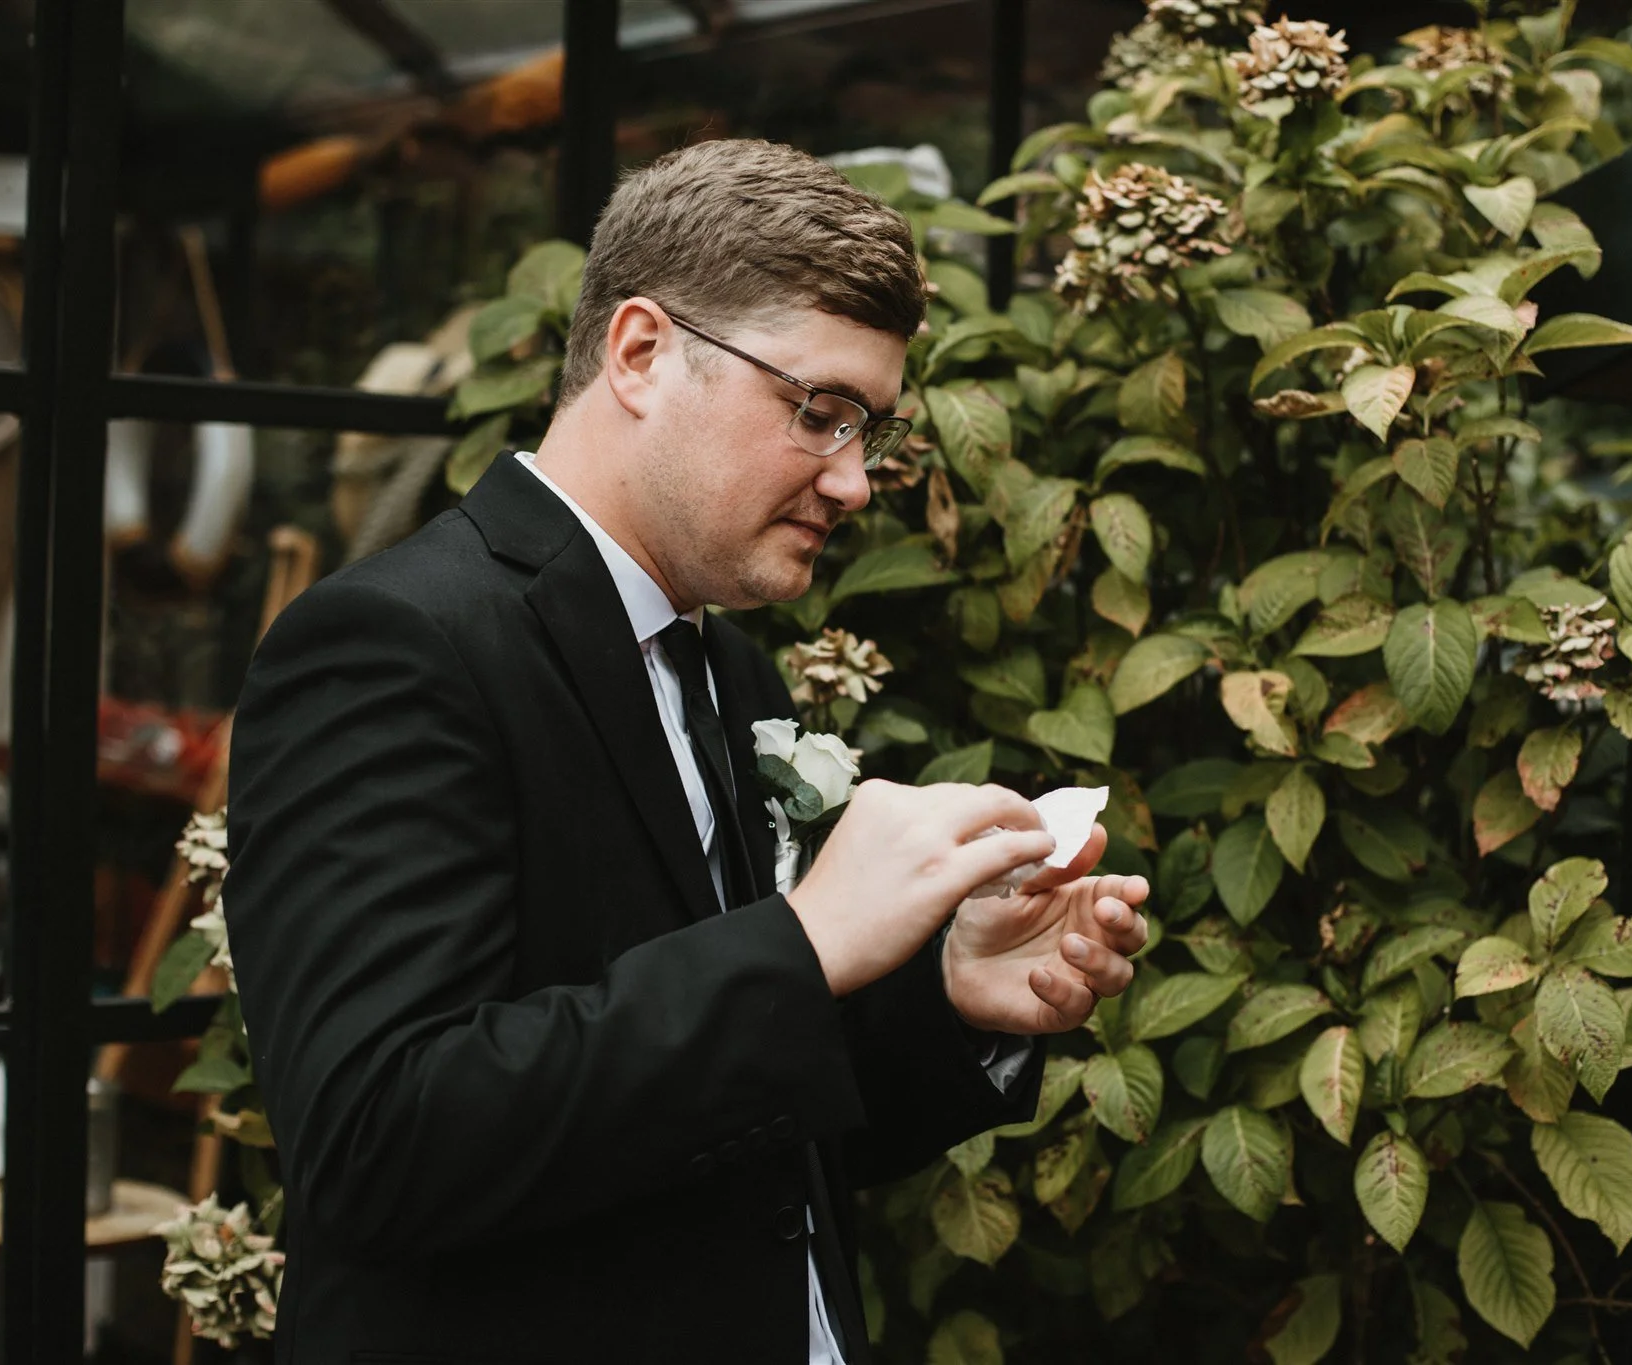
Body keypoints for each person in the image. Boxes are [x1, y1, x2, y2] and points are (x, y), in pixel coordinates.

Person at [223, 138, 1150, 1364]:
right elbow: (377, 1145)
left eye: (867, 430)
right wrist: (807, 941)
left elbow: (740, 1133)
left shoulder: (726, 666)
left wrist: (948, 999)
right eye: (818, 413)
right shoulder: (393, 644)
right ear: (641, 353)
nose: (854, 483)